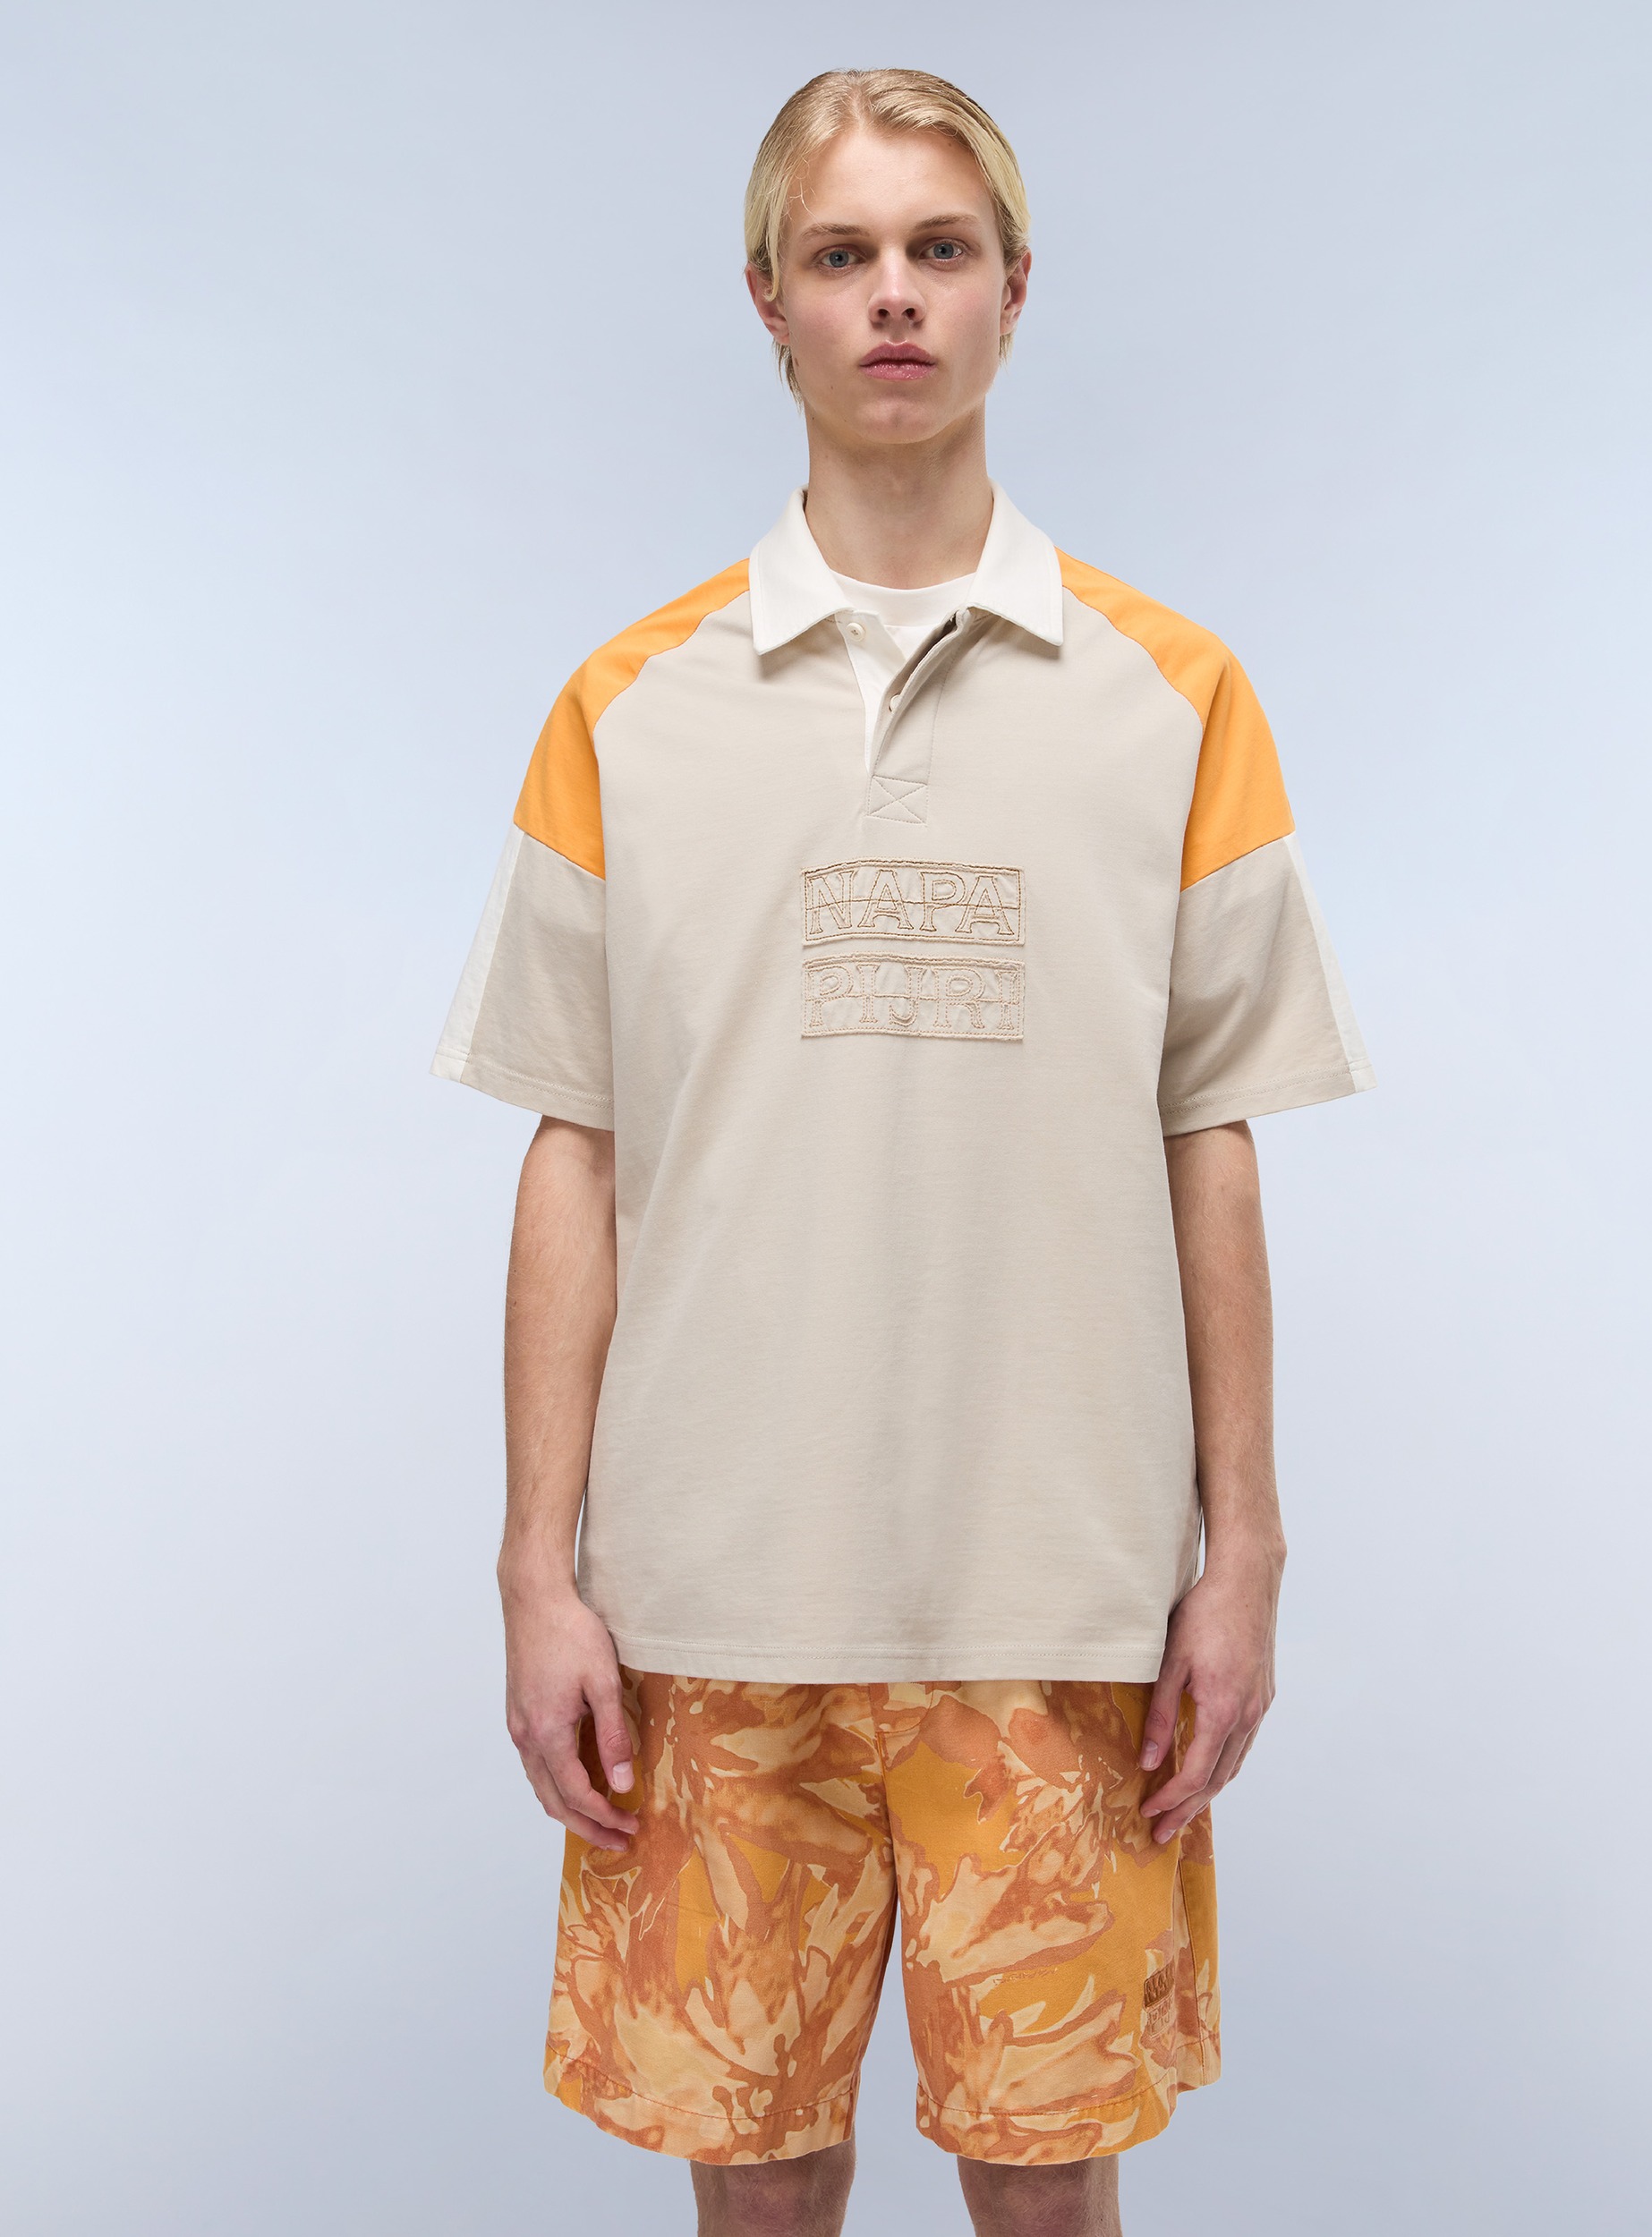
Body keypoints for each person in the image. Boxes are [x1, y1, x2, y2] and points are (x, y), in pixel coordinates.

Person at [432, 65, 1373, 2237]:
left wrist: (1242, 1547)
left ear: (1014, 292)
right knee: (759, 2189)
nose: (890, 295)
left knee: (1044, 2190)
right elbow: (575, 1143)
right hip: (705, 1601)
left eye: (938, 249)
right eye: (840, 252)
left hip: (1059, 1601)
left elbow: (1208, 1138)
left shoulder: (1176, 693)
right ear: (763, 296)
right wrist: (536, 1563)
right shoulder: (624, 704)